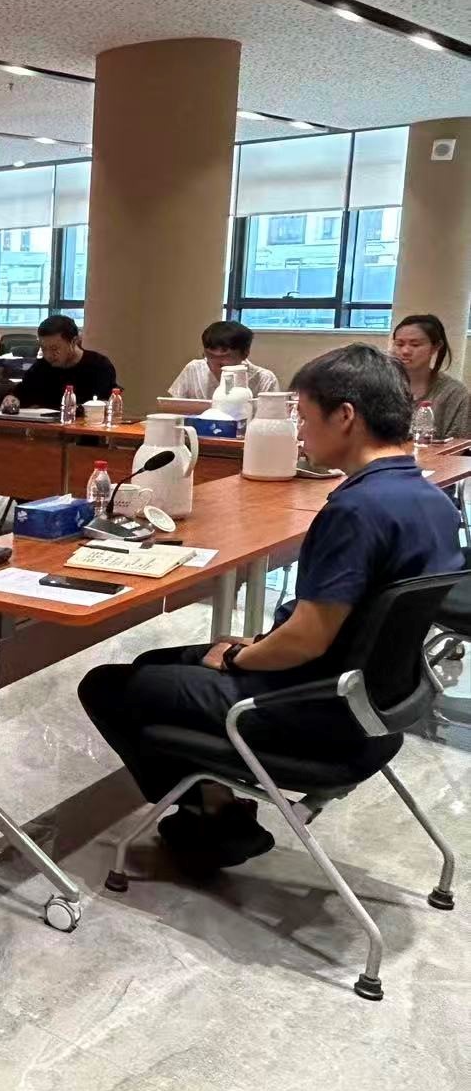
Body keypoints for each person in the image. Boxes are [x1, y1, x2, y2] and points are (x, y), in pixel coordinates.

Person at [78, 344, 462, 869]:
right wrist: (257, 646)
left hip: (310, 709)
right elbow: (344, 627)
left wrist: (242, 658)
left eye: (305, 417)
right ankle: (214, 805)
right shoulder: (433, 501)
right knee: (158, 663)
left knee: (111, 685)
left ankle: (214, 821)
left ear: (345, 416)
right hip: (374, 700)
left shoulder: (356, 509)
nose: (300, 433)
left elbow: (307, 639)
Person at [3, 316, 117, 412]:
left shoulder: (99, 365)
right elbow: (21, 393)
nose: (48, 355)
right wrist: (12, 398)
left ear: (73, 342)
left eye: (54, 349)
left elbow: (104, 403)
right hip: (46, 429)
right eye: (44, 348)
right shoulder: (42, 367)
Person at [390, 313, 470, 439]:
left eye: (415, 345)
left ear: (435, 347)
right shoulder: (380, 385)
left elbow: (460, 444)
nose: (405, 351)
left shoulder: (454, 393)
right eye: (399, 344)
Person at [168, 320, 281, 400]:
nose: (215, 363)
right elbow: (174, 407)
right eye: (210, 356)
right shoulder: (194, 369)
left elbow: (273, 419)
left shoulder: (264, 379)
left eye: (225, 357)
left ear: (245, 354)